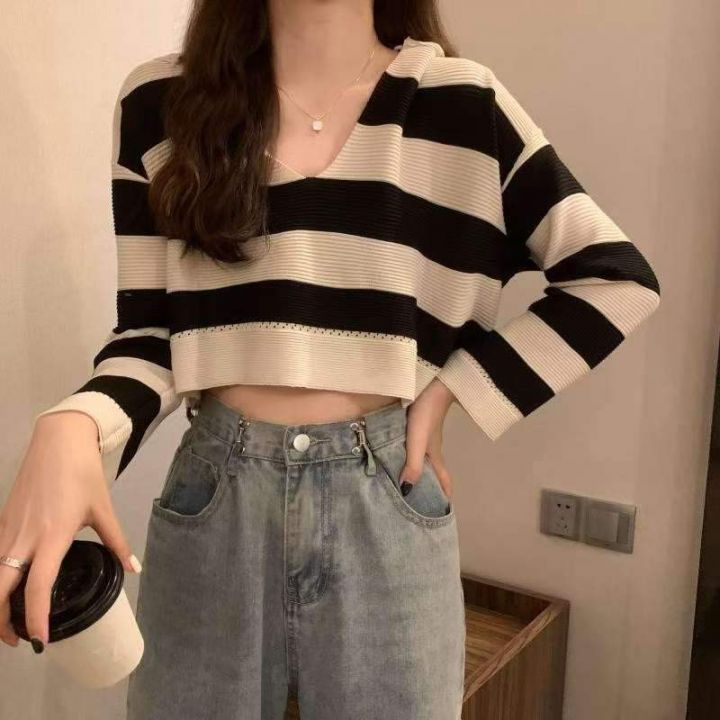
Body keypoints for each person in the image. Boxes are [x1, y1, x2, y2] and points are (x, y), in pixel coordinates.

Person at [0, 1, 661, 718]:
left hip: (386, 502)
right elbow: (151, 335)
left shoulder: (463, 105)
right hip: (214, 500)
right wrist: (76, 423)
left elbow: (614, 279)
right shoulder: (160, 102)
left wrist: (455, 389)